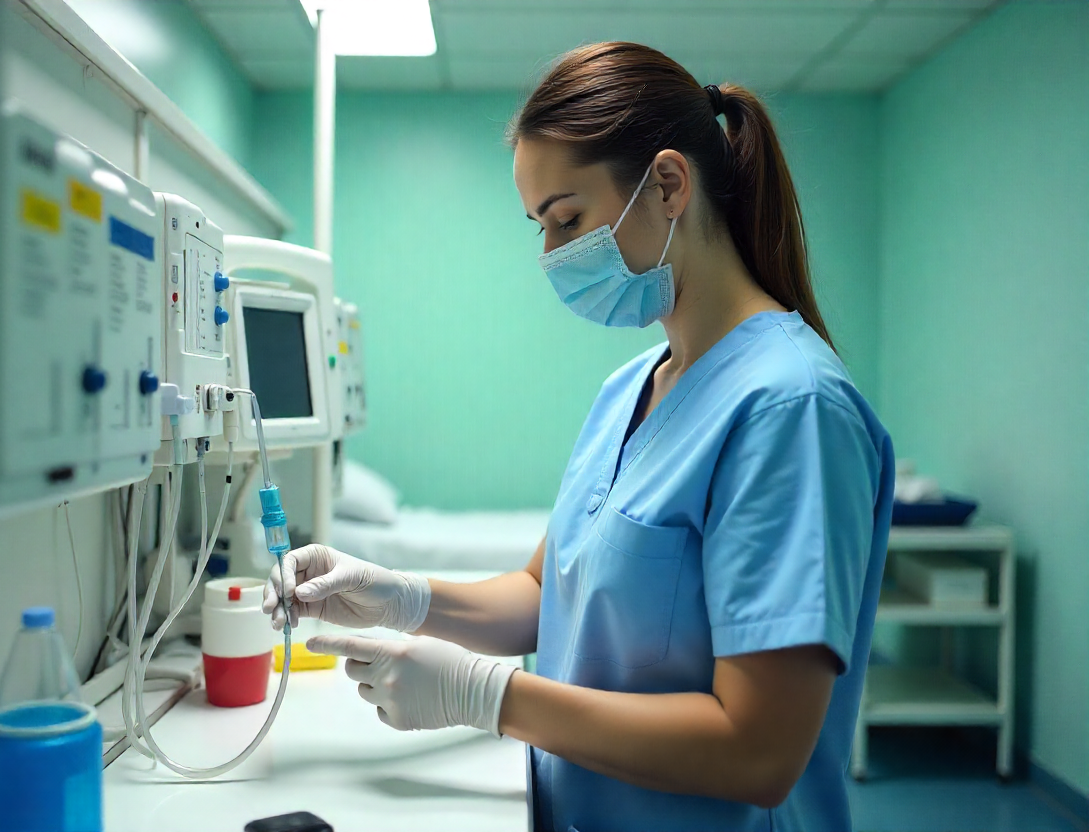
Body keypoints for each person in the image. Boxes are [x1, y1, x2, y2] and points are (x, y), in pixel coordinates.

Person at [262, 41, 894, 832]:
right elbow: (544, 595)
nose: (552, 257)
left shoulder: (790, 409)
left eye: (568, 219)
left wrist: (488, 696)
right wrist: (398, 596)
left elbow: (758, 752)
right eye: (540, 227)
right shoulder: (630, 388)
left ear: (669, 185)